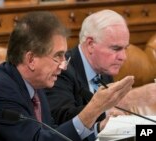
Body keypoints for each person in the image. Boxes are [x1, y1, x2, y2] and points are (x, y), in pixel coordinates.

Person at [0, 11, 134, 141]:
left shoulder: (36, 85)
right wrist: (95, 108)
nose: (63, 65)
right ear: (31, 60)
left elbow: (54, 133)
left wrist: (98, 128)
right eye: (58, 56)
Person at [45, 9, 134, 139]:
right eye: (116, 49)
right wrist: (105, 110)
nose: (123, 57)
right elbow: (63, 121)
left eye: (125, 48)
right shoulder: (61, 70)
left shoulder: (104, 69)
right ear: (91, 44)